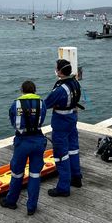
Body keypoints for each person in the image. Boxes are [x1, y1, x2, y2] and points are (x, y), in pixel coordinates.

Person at [0, 80, 47, 215]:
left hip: (22, 141)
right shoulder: (41, 103)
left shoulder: (16, 104)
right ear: (34, 90)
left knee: (17, 173)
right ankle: (31, 207)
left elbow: (12, 120)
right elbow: (42, 118)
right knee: (35, 174)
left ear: (22, 90)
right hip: (38, 141)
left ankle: (11, 201)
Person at [44, 59, 83, 197]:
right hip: (72, 118)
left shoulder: (60, 89)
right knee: (73, 149)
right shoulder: (75, 83)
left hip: (61, 122)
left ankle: (63, 187)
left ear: (60, 71)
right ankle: (76, 177)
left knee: (61, 155)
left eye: (56, 68)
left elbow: (46, 104)